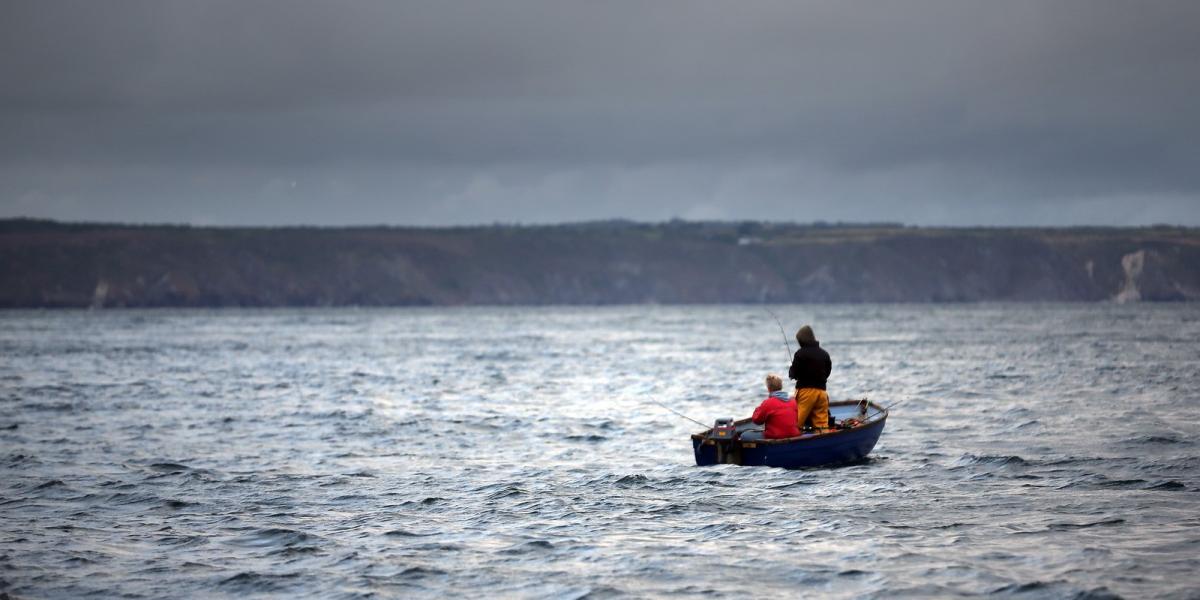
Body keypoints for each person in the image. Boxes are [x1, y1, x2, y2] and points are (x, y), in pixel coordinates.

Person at [789, 325, 831, 430]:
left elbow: (794, 373)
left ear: (801, 341)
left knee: (796, 422)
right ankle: (824, 442)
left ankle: (793, 444)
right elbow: (828, 371)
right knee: (821, 425)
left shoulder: (800, 354)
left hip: (806, 393)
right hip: (822, 393)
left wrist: (791, 372)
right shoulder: (824, 354)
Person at [744, 374, 801, 440]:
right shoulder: (793, 401)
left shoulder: (768, 403)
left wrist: (758, 409)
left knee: (744, 435)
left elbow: (757, 420)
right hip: (793, 434)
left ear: (768, 389)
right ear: (781, 386)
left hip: (775, 436)